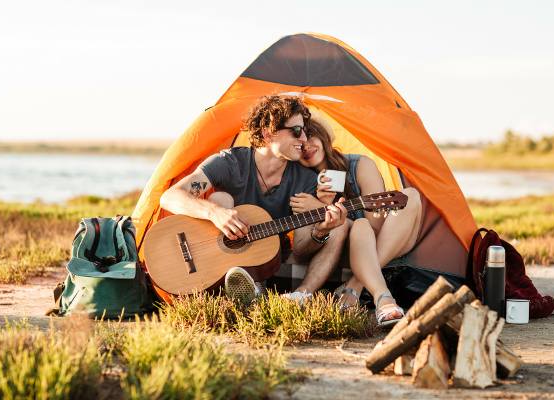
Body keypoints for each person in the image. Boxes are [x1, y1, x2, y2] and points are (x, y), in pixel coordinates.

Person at [159, 95, 349, 304]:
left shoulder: (305, 179)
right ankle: (234, 284)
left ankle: (296, 296)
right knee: (220, 199)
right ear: (268, 134)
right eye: (296, 131)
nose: (303, 139)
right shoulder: (230, 163)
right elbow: (170, 197)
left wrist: (321, 231)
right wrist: (214, 212)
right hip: (214, 258)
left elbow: (302, 249)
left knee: (338, 228)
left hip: (269, 257)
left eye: (305, 131)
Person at [290, 116, 423, 326]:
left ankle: (355, 285)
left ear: (323, 136)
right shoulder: (301, 181)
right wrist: (322, 208)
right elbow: (300, 247)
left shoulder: (359, 165)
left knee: (411, 195)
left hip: (379, 242)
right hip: (340, 252)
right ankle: (383, 298)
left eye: (311, 135)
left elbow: (376, 226)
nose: (307, 146)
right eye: (300, 144)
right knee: (360, 225)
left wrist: (320, 209)